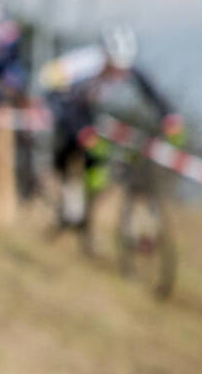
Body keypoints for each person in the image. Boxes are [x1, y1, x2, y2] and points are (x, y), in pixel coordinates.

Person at [37, 25, 185, 226]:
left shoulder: (127, 67)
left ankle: (88, 202)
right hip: (63, 101)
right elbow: (56, 93)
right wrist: (82, 132)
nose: (119, 73)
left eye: (123, 68)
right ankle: (66, 188)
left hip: (88, 107)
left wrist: (170, 117)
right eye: (115, 67)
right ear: (105, 56)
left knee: (100, 157)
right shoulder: (85, 64)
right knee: (80, 141)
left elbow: (151, 92)